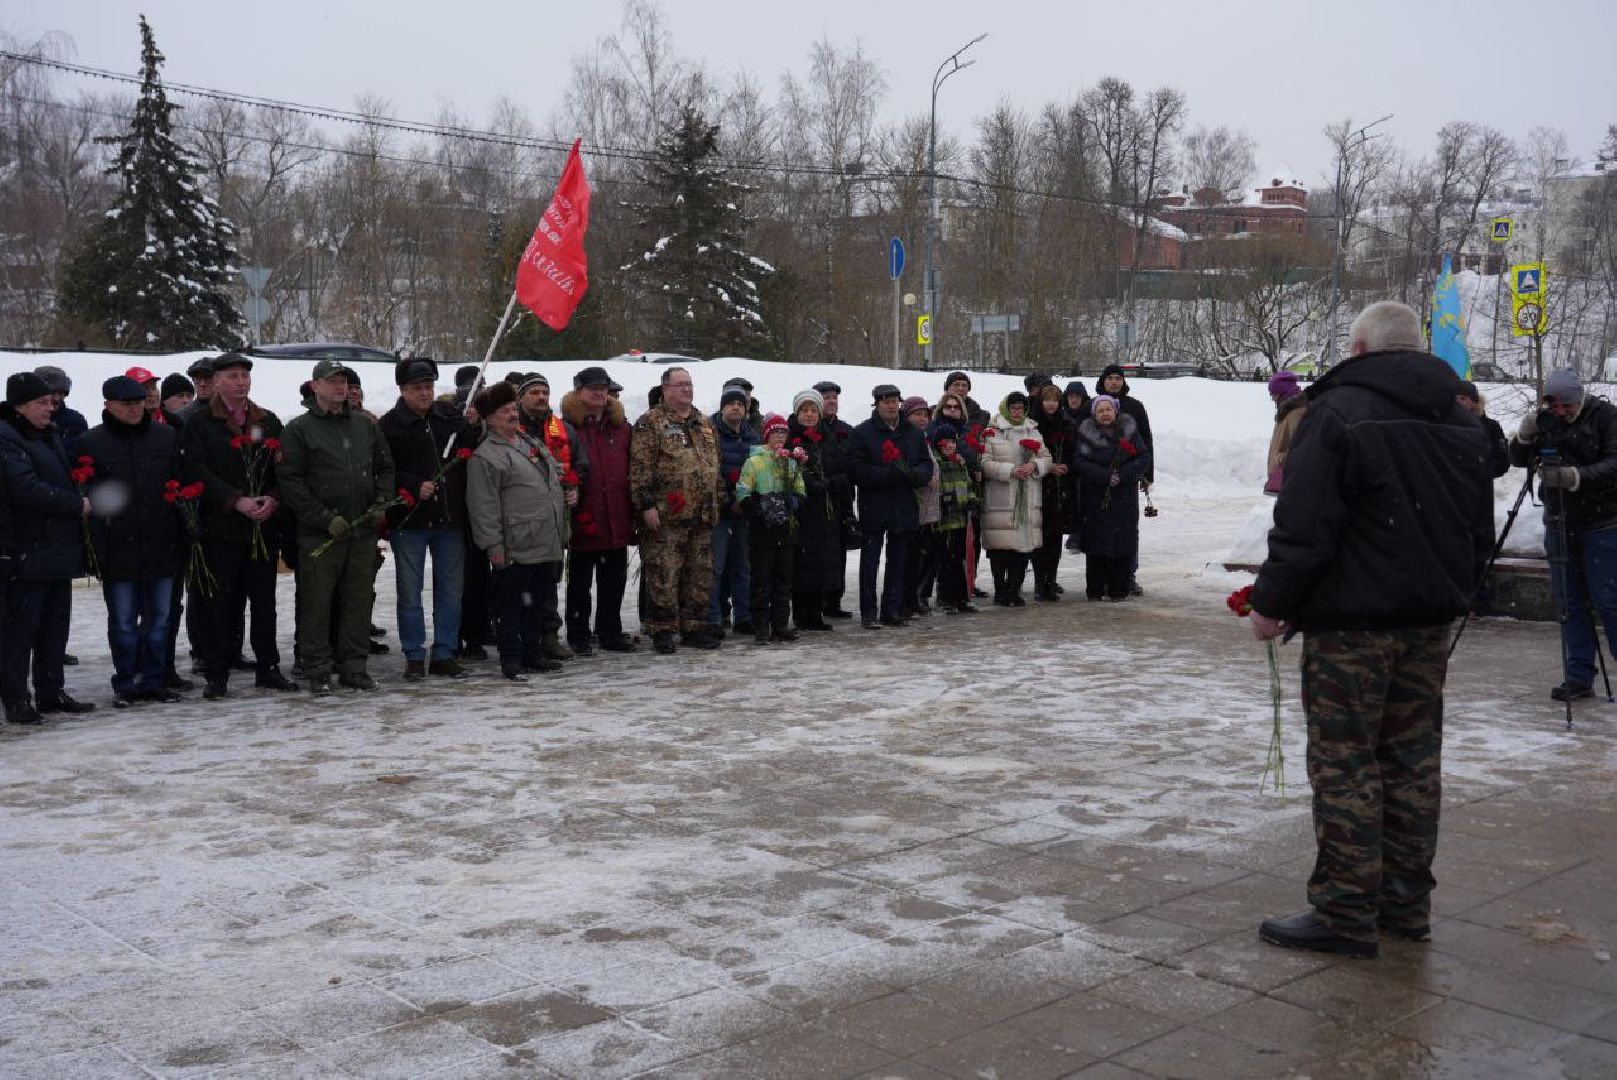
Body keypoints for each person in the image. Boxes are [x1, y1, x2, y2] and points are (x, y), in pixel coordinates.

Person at [1250, 300, 1493, 958]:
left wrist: (1271, 602)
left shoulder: (1338, 413)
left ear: (1358, 349)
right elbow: (1476, 530)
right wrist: (1454, 592)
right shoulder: (1459, 417)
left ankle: (1345, 910)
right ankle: (1404, 906)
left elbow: (1305, 525)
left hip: (1350, 626)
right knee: (1412, 765)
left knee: (1345, 763)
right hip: (1426, 621)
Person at [178, 352, 297, 699]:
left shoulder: (267, 420)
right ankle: (217, 671)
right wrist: (235, 500)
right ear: (216, 382)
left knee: (264, 602)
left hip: (262, 527)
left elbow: (283, 468)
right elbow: (195, 470)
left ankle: (268, 667)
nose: (240, 382)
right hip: (222, 527)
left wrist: (272, 498)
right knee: (221, 603)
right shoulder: (200, 423)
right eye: (232, 376)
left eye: (244, 376)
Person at [277, 359, 395, 696]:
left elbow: (385, 468)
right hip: (321, 534)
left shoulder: (364, 426)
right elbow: (291, 482)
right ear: (315, 386)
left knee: (357, 601)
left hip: (361, 531)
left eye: (343, 380)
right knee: (317, 602)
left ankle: (354, 666)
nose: (340, 387)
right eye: (332, 381)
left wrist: (380, 504)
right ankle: (317, 668)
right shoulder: (299, 429)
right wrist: (324, 518)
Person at [1510, 367, 1617, 700]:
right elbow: (1517, 460)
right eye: (1554, 408)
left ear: (1579, 398)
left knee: (1609, 601)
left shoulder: (1606, 417)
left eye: (1566, 407)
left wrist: (1575, 477)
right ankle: (1578, 674)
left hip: (1603, 523)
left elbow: (1615, 463)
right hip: (1559, 520)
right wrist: (1525, 435)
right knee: (1569, 603)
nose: (1561, 413)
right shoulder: (1548, 420)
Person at [79, 376, 184, 707]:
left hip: (162, 541)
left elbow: (181, 486)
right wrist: (97, 548)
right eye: (126, 404)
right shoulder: (91, 442)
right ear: (108, 405)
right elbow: (89, 499)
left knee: (160, 619)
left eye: (139, 403)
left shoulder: (166, 436)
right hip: (118, 545)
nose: (134, 409)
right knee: (124, 622)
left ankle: (154, 679)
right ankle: (126, 681)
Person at [0, 371, 95, 724]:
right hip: (27, 548)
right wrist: (76, 505)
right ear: (20, 406)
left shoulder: (47, 434)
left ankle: (51, 690)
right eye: (41, 402)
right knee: (21, 630)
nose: (50, 408)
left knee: (55, 625)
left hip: (57, 546)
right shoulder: (7, 438)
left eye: (52, 401)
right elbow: (25, 488)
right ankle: (15, 698)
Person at [467, 381, 574, 681]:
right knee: (511, 605)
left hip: (543, 538)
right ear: (489, 418)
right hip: (514, 543)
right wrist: (493, 545)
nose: (513, 415)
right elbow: (483, 507)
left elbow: (553, 472)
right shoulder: (486, 456)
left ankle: (532, 653)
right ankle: (511, 658)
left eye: (514, 409)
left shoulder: (529, 443)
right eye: (505, 411)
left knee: (536, 602)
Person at [379, 357, 471, 681]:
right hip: (411, 521)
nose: (424, 393)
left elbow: (469, 448)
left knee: (450, 590)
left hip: (448, 519)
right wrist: (411, 485)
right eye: (417, 388)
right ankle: (414, 654)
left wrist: (470, 424)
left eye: (429, 387)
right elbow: (383, 469)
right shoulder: (389, 425)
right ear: (403, 390)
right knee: (410, 591)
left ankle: (445, 651)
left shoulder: (448, 417)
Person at [629, 367, 722, 654]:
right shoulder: (651, 422)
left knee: (699, 574)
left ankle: (694, 627)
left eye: (689, 384)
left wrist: (718, 498)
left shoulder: (703, 422)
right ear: (666, 388)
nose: (686, 389)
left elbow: (713, 466)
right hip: (667, 515)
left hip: (702, 513)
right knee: (663, 574)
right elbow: (639, 468)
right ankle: (663, 629)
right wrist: (645, 505)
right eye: (680, 385)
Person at [561, 366, 637, 654]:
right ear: (579, 391)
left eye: (603, 387)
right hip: (584, 517)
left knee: (613, 581)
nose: (599, 392)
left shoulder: (622, 428)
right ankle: (579, 635)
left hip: (616, 516)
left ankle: (610, 631)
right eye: (593, 387)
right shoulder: (566, 428)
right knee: (579, 584)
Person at [846, 384, 933, 629]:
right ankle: (869, 612)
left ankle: (891, 609)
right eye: (885, 401)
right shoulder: (862, 432)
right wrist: (886, 475)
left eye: (894, 401)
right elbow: (855, 469)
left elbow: (926, 467)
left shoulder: (913, 433)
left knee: (899, 562)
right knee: (870, 562)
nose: (891, 406)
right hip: (875, 505)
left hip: (904, 506)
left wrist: (910, 474)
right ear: (877, 404)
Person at [736, 414, 806, 645]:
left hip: (785, 530)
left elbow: (801, 490)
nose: (780, 436)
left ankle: (780, 625)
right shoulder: (754, 461)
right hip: (762, 531)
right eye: (775, 432)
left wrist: (792, 502)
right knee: (761, 581)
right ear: (766, 434)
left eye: (784, 433)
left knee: (783, 581)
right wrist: (761, 510)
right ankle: (761, 627)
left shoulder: (791, 461)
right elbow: (743, 492)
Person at [1072, 395, 1150, 601]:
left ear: (1115, 411)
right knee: (1096, 544)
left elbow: (1143, 457)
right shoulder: (1086, 432)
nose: (1105, 414)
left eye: (1108, 410)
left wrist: (1123, 475)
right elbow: (1079, 461)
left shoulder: (1129, 430)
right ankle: (1095, 589)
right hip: (1096, 496)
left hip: (1124, 496)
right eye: (1100, 411)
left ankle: (1119, 589)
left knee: (1122, 543)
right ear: (1094, 414)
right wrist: (1105, 475)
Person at [979, 392, 1051, 605]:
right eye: (1014, 408)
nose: (1017, 412)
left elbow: (1046, 457)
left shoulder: (1034, 431)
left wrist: (1034, 465)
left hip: (1027, 496)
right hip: (1002, 496)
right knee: (1001, 547)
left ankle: (1014, 590)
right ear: (1006, 408)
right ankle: (1000, 590)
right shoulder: (991, 432)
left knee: (1022, 547)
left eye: (1021, 408)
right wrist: (1010, 470)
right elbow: (983, 462)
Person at [1094, 363, 1154, 595]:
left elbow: (1146, 441)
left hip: (1127, 477)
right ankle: (1106, 576)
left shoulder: (1134, 407)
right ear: (1103, 381)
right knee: (1103, 529)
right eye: (1109, 378)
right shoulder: (1094, 405)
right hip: (1100, 479)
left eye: (1118, 378)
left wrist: (1146, 475)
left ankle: (1128, 573)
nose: (1114, 382)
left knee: (1128, 528)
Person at [785, 390, 838, 634]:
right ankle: (801, 614)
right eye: (804, 410)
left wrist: (833, 480)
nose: (809, 414)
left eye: (813, 410)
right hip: (802, 508)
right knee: (802, 562)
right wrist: (808, 482)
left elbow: (838, 464)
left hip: (824, 508)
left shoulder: (826, 437)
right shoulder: (789, 438)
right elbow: (786, 468)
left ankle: (816, 613)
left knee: (821, 561)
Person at [710, 386, 758, 636]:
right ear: (723, 407)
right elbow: (710, 472)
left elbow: (758, 471)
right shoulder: (709, 432)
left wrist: (746, 500)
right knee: (715, 568)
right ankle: (714, 618)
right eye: (731, 403)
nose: (736, 407)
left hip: (743, 511)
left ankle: (744, 616)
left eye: (740, 403)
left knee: (742, 566)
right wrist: (729, 500)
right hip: (719, 510)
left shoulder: (752, 436)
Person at [813, 380, 856, 620]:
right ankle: (817, 599)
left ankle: (834, 600)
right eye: (826, 397)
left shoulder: (845, 430)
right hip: (818, 498)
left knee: (838, 552)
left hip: (842, 498)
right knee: (819, 552)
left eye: (834, 397)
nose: (831, 401)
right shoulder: (810, 428)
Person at [1031, 385, 1076, 601]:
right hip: (1038, 485)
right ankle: (1040, 583)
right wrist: (1049, 467)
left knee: (1055, 537)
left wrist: (1065, 466)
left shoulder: (1067, 424)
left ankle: (1051, 579)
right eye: (1047, 399)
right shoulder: (1032, 425)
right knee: (1040, 536)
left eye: (1055, 400)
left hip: (1059, 488)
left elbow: (1073, 452)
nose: (1051, 403)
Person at [899, 396, 941, 618]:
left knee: (925, 556)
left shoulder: (925, 438)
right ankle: (906, 600)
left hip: (930, 507)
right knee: (911, 558)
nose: (923, 419)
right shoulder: (906, 439)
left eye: (925, 415)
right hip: (914, 506)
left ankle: (916, 597)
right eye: (917, 414)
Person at [929, 423, 977, 613]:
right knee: (946, 561)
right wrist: (945, 500)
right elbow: (935, 491)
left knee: (960, 560)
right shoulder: (937, 463)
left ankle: (962, 598)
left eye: (952, 442)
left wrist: (972, 500)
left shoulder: (960, 462)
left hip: (961, 519)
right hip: (944, 520)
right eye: (945, 442)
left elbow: (968, 485)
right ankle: (946, 598)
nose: (950, 446)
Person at [1265, 370, 1308, 494]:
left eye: (1273, 394)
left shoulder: (1296, 413)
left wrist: (1280, 460)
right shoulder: (1285, 411)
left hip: (1292, 481)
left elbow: (1302, 448)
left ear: (1283, 393)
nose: (1272, 398)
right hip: (1285, 479)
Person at [1457, 380, 1509, 479]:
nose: (1458, 402)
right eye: (1455, 399)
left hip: (1479, 487)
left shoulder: (1491, 427)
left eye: (1463, 398)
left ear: (1474, 402)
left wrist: (1476, 472)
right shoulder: (1444, 425)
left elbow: (1502, 462)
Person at [34, 365, 88, 457]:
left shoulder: (76, 421)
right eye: (51, 392)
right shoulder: (21, 421)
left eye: (61, 393)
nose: (56, 398)